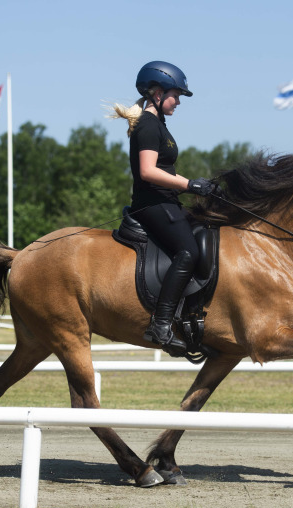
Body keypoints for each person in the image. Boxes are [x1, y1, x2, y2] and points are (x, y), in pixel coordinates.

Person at [109, 61, 217, 357]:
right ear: (156, 93)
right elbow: (147, 171)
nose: (179, 101)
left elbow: (164, 169)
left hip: (167, 202)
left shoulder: (159, 125)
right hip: (152, 205)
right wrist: (187, 185)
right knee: (188, 252)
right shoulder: (146, 125)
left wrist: (199, 186)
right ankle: (161, 324)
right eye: (176, 95)